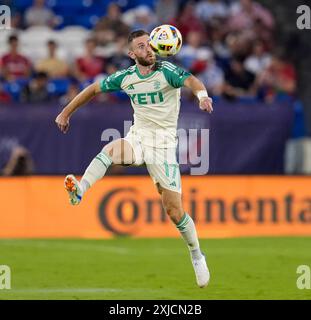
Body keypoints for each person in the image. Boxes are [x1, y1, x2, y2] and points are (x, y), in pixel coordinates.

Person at [55, 30, 213, 288]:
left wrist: (203, 97)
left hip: (162, 146)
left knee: (174, 211)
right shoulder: (126, 77)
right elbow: (93, 89)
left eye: (150, 45)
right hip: (138, 137)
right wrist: (65, 112)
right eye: (141, 46)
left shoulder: (167, 71)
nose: (148, 49)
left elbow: (193, 81)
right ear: (132, 54)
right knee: (111, 150)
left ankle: (196, 254)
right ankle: (80, 190)